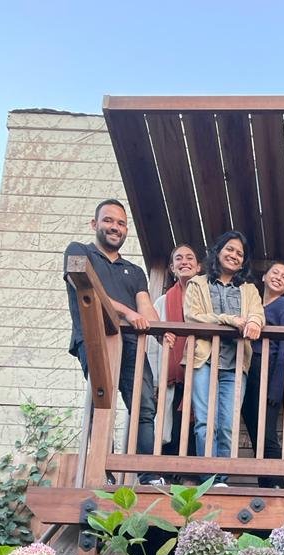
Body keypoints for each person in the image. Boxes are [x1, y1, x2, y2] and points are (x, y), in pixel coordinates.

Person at [64, 199, 161, 485]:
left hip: (132, 345)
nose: (114, 227)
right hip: (96, 339)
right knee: (102, 403)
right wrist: (128, 312)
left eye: (120, 223)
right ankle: (102, 472)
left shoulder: (135, 270)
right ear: (94, 225)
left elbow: (146, 309)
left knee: (144, 407)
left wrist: (163, 330)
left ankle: (148, 474)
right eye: (108, 220)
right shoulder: (80, 252)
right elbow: (84, 284)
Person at [183, 231, 264, 481]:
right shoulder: (198, 283)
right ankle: (207, 478)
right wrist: (228, 320)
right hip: (203, 359)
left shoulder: (249, 290)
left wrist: (253, 322)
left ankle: (222, 480)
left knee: (228, 425)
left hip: (235, 363)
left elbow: (257, 315)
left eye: (240, 253)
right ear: (218, 252)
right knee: (205, 422)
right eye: (229, 249)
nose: (234, 256)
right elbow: (193, 316)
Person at [240, 260, 284, 487]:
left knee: (266, 433)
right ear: (263, 277)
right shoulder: (254, 306)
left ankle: (275, 485)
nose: (278, 277)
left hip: (268, 372)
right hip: (249, 370)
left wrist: (276, 387)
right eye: (275, 272)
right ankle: (266, 483)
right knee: (256, 431)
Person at [148, 243, 201, 461]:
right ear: (172, 267)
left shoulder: (206, 300)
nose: (184, 262)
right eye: (179, 259)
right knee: (170, 424)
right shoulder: (162, 302)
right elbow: (153, 344)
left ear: (199, 267)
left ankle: (192, 476)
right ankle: (169, 474)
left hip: (198, 370)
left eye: (190, 258)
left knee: (196, 422)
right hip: (172, 375)